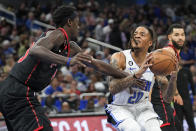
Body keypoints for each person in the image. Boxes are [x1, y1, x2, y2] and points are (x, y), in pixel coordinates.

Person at [0, 5, 144, 131]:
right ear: (69, 22)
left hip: (17, 92)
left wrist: (126, 75)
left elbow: (96, 64)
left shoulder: (71, 46)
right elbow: (35, 50)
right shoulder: (57, 34)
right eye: (77, 22)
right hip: (18, 90)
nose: (79, 26)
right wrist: (68, 60)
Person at [105, 25, 162, 131]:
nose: (137, 36)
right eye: (135, 34)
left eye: (142, 34)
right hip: (120, 107)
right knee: (133, 128)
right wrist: (136, 75)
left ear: (150, 43)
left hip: (143, 106)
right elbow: (112, 89)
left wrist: (172, 75)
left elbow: (164, 86)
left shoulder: (155, 62)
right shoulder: (119, 57)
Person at [151, 24, 185, 131]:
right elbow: (151, 64)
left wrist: (176, 93)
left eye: (182, 35)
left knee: (178, 126)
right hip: (158, 99)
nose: (180, 37)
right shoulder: (168, 52)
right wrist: (149, 94)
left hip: (165, 100)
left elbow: (171, 78)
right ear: (169, 37)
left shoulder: (175, 53)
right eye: (176, 35)